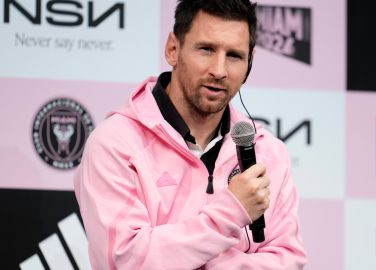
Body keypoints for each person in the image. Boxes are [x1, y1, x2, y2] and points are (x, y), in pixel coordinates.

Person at [74, 0, 307, 269]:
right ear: (173, 49)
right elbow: (125, 260)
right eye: (206, 49)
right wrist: (231, 211)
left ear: (250, 63)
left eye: (234, 55)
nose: (219, 71)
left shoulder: (268, 152)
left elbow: (287, 260)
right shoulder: (115, 144)